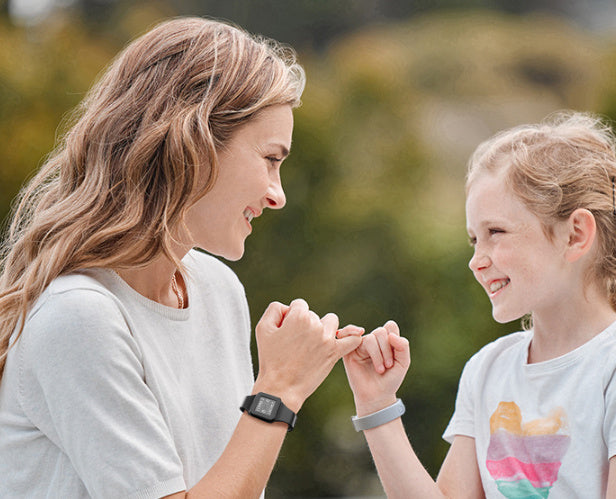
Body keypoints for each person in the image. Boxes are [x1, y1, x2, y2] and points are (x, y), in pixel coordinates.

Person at [0, 17, 364, 498]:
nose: (278, 195)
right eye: (271, 159)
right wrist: (278, 391)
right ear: (194, 145)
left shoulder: (217, 289)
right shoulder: (77, 317)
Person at [342, 112, 616, 498]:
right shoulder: (487, 371)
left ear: (575, 235)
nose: (476, 259)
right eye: (474, 240)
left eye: (495, 233)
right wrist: (377, 404)